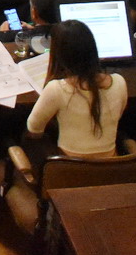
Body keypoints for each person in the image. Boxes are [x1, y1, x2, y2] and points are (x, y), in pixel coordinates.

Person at [23, 20, 128, 156]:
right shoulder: (119, 82)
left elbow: (34, 130)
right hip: (110, 168)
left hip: (68, 169)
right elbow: (117, 116)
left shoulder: (56, 89)